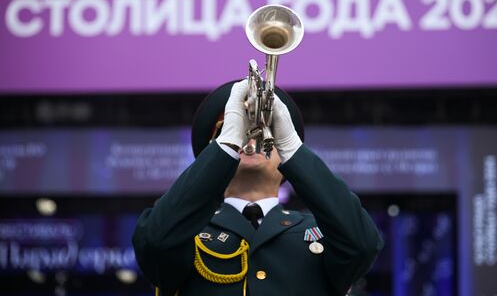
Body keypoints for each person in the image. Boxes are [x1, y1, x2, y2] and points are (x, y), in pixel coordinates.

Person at [132, 80, 384, 296]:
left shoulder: (318, 231)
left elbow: (362, 245)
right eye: (237, 130)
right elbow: (155, 242)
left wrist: (292, 147)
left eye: (266, 132)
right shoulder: (187, 231)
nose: (251, 138)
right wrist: (226, 145)